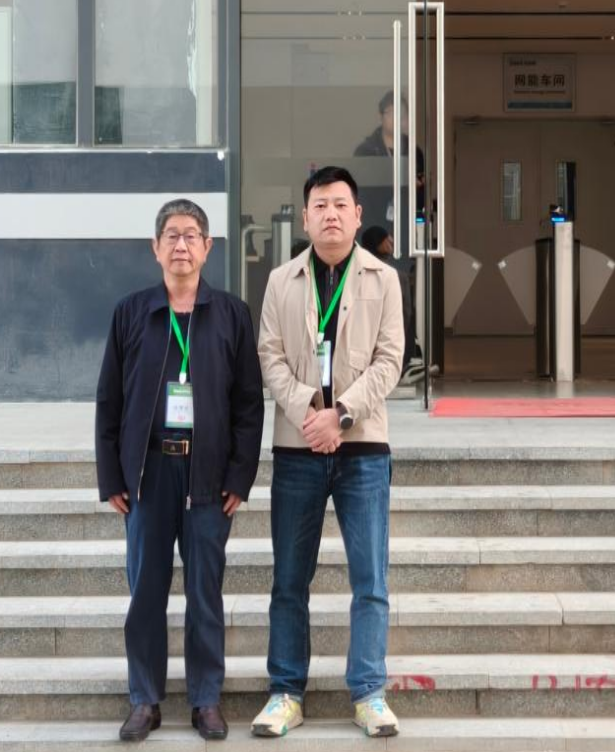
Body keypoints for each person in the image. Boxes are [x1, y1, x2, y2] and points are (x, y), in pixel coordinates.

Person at [95, 199, 265, 742]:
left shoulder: (232, 314)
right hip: (147, 477)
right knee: (145, 591)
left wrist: (239, 477)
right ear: (155, 247)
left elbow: (249, 404)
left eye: (192, 235)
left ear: (208, 247)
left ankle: (206, 699)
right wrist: (112, 477)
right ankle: (144, 699)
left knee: (205, 593)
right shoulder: (132, 312)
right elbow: (109, 401)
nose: (181, 245)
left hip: (208, 478)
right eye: (171, 235)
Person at [252, 166, 405, 739]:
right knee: (290, 580)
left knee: (370, 580)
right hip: (298, 448)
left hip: (362, 447)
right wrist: (308, 415)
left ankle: (368, 693)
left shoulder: (384, 280)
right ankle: (285, 693)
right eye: (320, 205)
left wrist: (339, 415)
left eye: (341, 204)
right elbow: (269, 358)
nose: (331, 214)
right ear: (306, 216)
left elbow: (391, 360)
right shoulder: (280, 281)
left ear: (358, 215)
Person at [360, 225, 422, 385]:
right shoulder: (396, 275)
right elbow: (405, 314)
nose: (392, 241)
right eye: (386, 239)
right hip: (389, 343)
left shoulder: (356, 272)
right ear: (377, 243)